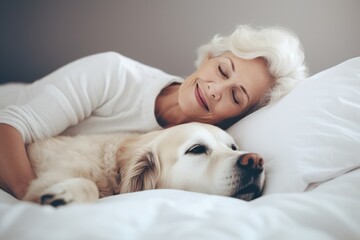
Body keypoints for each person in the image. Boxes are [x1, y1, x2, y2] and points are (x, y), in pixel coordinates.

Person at [0, 25, 307, 199]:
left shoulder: (196, 145)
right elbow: (8, 124)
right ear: (209, 57)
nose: (215, 89)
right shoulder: (112, 73)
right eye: (223, 70)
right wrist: (32, 198)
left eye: (236, 96)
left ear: (240, 115)